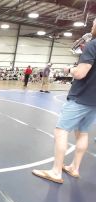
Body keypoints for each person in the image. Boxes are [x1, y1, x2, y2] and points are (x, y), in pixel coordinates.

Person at [32, 18, 96, 184]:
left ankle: (56, 171)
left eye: (94, 23)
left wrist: (70, 69)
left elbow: (81, 73)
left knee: (61, 131)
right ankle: (75, 168)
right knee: (83, 132)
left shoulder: (92, 45)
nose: (92, 26)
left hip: (81, 96)